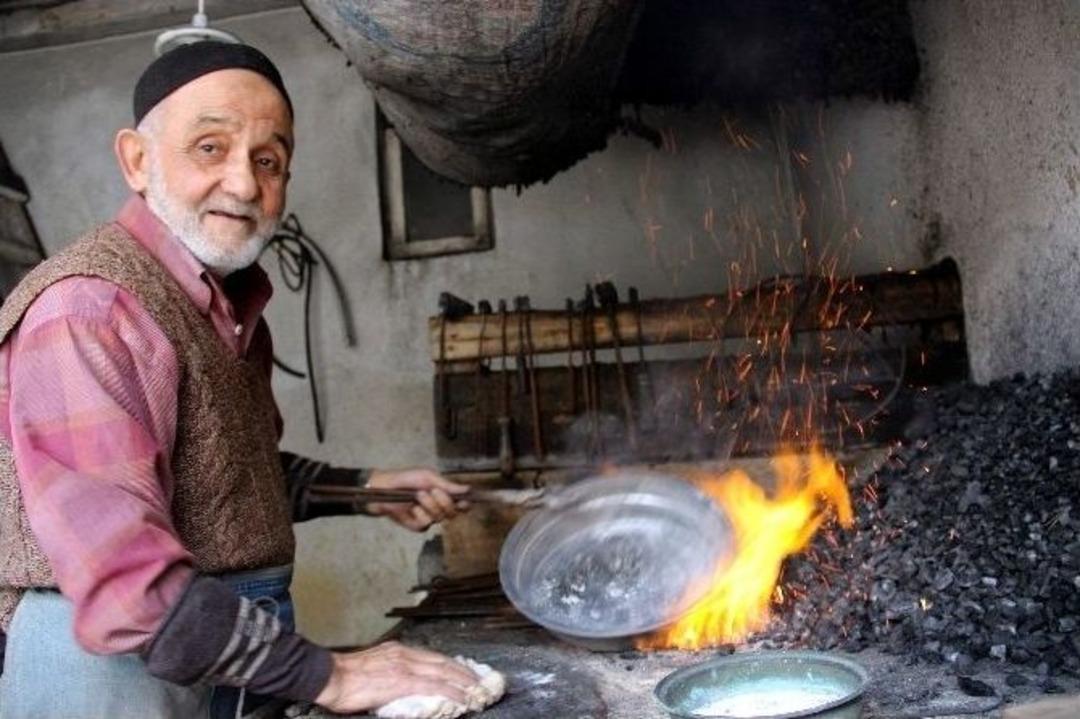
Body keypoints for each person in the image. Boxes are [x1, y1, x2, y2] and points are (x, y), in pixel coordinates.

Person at [0, 41, 482, 719]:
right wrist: (331, 674)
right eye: (210, 147)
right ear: (137, 160)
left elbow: (224, 474)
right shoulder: (90, 309)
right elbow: (125, 578)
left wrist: (366, 488)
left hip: (228, 663)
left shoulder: (225, 304)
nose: (245, 185)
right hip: (115, 680)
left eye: (269, 160)